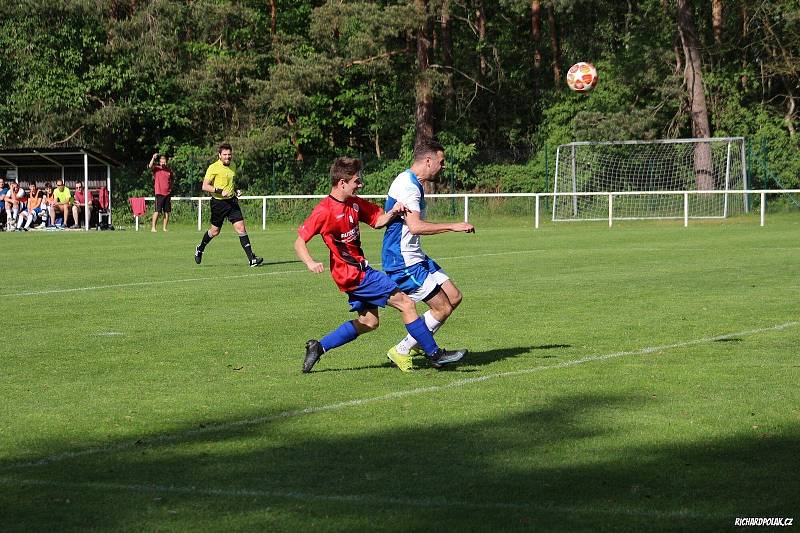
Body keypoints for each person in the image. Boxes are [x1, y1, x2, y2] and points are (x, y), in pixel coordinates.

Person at [294, 156, 467, 373]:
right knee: (406, 303)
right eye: (356, 181)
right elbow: (300, 242)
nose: (360, 185)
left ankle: (318, 347)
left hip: (354, 273)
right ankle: (435, 354)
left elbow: (377, 220)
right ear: (342, 183)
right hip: (354, 274)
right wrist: (310, 262)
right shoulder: (324, 210)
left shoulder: (354, 203)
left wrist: (394, 211)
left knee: (369, 322)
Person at [381, 139, 475, 372]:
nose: (443, 167)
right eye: (441, 162)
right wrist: (453, 226)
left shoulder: (413, 182)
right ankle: (403, 349)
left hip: (416, 256)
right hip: (403, 261)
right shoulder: (409, 186)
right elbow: (415, 226)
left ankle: (413, 343)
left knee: (453, 297)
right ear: (428, 160)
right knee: (442, 308)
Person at [194, 143, 263, 267]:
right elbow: (205, 186)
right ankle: (200, 248)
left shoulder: (233, 166)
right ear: (219, 155)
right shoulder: (213, 167)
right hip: (218, 204)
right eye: (224, 155)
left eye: (229, 155)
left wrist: (236, 190)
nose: (227, 157)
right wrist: (220, 191)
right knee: (215, 231)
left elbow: (230, 183)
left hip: (232, 202)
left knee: (241, 228)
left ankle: (251, 259)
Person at [148, 152, 174, 232]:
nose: (163, 163)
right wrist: (153, 157)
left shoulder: (169, 170)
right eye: (162, 162)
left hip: (167, 194)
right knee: (157, 211)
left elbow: (172, 180)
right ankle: (153, 228)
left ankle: (164, 228)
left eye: (164, 161)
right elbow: (150, 166)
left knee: (167, 212)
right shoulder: (157, 168)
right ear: (160, 162)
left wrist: (170, 189)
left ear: (166, 162)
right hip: (159, 193)